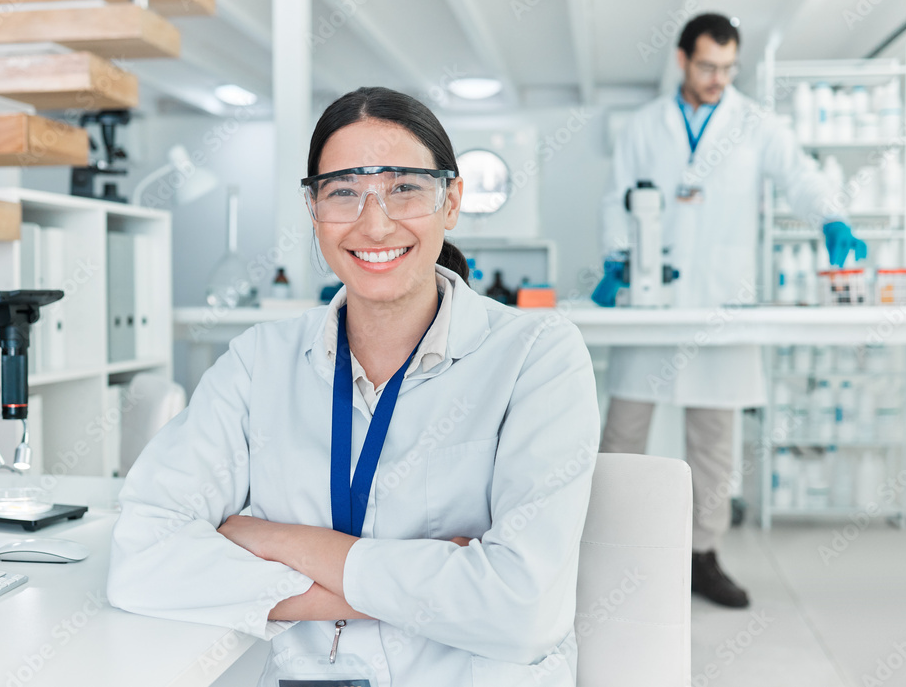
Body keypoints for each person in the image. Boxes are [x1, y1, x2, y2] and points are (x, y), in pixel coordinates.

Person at [108, 86, 600, 687]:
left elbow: (523, 610)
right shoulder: (258, 361)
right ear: (314, 210)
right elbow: (139, 558)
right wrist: (442, 584)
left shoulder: (535, 355)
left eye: (404, 188)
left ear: (451, 202)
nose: (375, 222)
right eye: (344, 192)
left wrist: (276, 540)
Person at [598, 14, 865, 608]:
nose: (718, 78)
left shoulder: (755, 124)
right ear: (682, 60)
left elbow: (799, 175)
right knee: (622, 433)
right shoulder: (645, 126)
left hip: (721, 297)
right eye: (707, 66)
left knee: (714, 440)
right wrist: (617, 262)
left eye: (728, 68)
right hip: (651, 294)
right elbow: (616, 199)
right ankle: (609, 551)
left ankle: (702, 556)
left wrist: (831, 217)